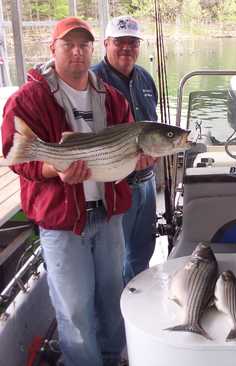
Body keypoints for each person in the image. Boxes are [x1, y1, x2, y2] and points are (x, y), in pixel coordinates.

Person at [1, 17, 149, 366]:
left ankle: (114, 358)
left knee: (113, 297)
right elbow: (14, 156)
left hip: (108, 214)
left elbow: (123, 150)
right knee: (75, 309)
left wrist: (137, 161)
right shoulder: (29, 99)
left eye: (84, 45)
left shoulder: (111, 97)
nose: (78, 52)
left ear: (92, 49)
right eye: (69, 44)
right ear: (53, 49)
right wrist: (54, 168)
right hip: (62, 220)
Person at [92, 16, 159, 284]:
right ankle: (118, 310)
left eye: (132, 42)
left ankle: (136, 306)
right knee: (116, 255)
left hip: (148, 182)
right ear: (106, 43)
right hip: (115, 185)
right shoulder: (93, 80)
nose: (126, 48)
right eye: (119, 42)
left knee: (143, 252)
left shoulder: (144, 77)